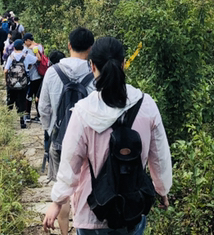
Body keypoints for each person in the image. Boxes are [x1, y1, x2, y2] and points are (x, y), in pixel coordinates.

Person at [42, 37, 172, 235]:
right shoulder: (146, 104)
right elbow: (159, 156)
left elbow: (70, 162)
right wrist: (162, 190)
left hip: (92, 211)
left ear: (92, 66)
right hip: (132, 208)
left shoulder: (84, 111)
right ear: (123, 64)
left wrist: (58, 202)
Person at [38, 27, 95, 234]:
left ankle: (64, 232)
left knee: (62, 188)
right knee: (85, 187)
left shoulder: (53, 72)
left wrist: (51, 130)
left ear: (69, 45)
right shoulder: (94, 73)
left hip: (60, 140)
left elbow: (43, 108)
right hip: (89, 142)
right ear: (91, 48)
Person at [3, 39, 37, 129]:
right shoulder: (27, 56)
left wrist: (6, 81)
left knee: (10, 101)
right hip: (23, 83)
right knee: (22, 101)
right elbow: (36, 60)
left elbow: (6, 70)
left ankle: (7, 121)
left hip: (12, 83)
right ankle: (22, 122)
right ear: (22, 47)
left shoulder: (11, 57)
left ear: (14, 47)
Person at [23, 33, 45, 121]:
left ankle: (27, 114)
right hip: (39, 75)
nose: (24, 43)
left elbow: (36, 60)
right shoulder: (40, 46)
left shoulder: (32, 49)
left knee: (29, 95)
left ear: (28, 40)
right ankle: (38, 115)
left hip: (33, 75)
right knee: (37, 95)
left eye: (25, 41)